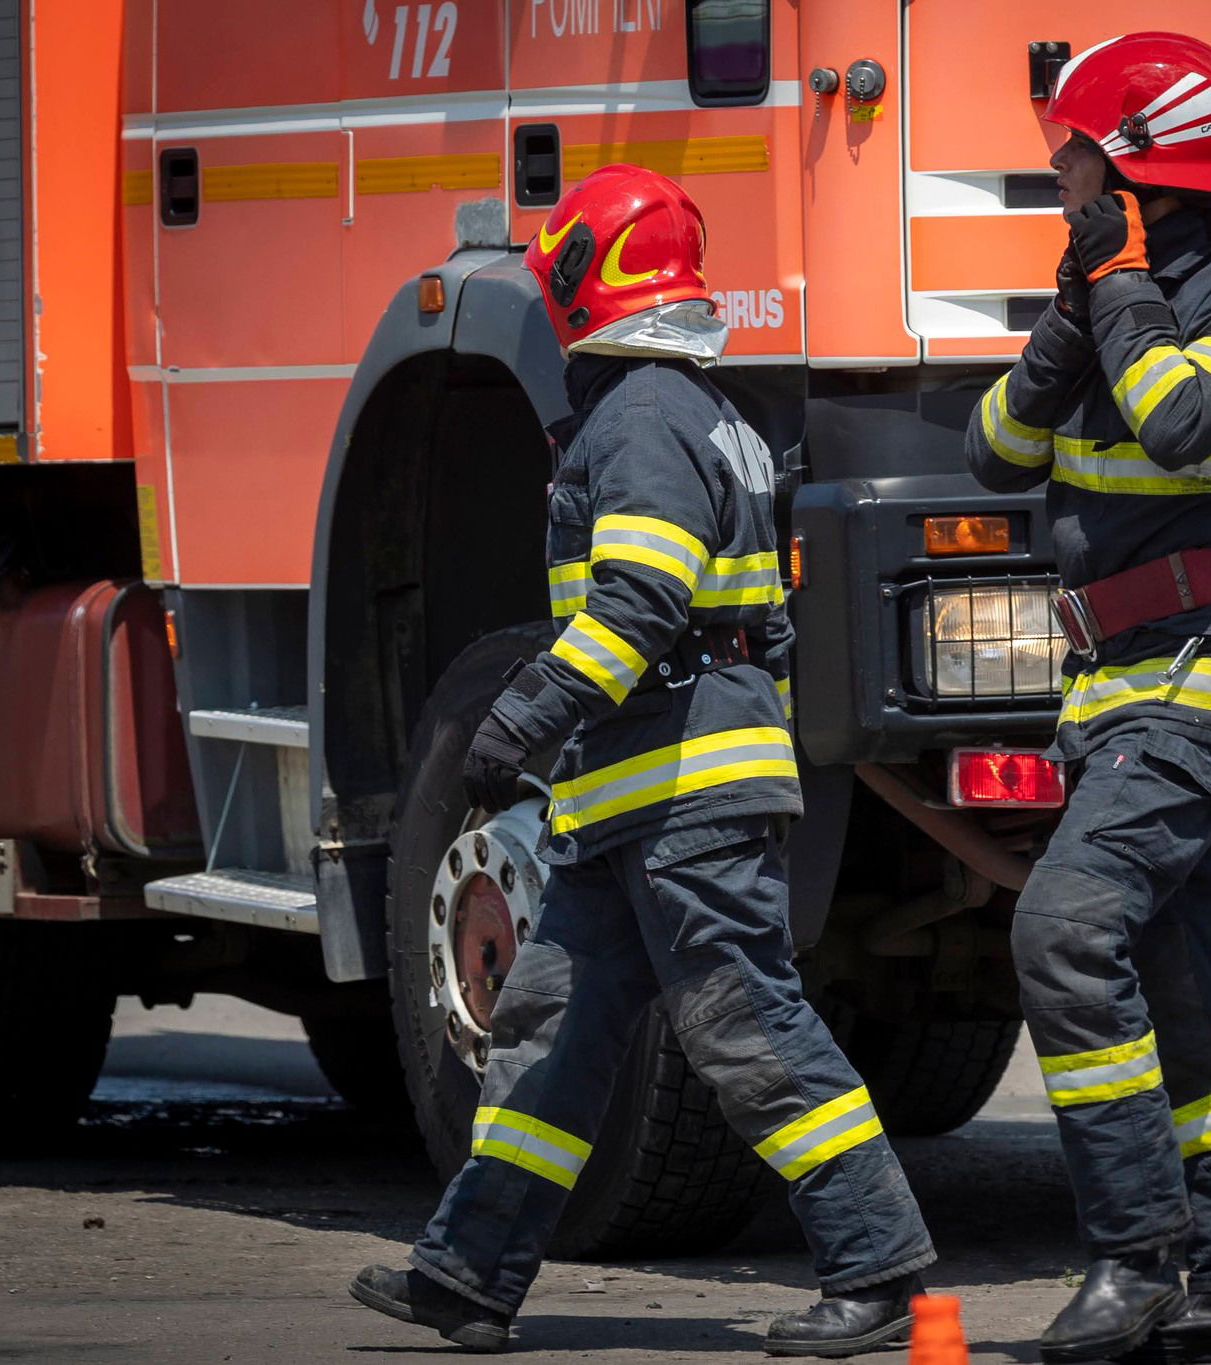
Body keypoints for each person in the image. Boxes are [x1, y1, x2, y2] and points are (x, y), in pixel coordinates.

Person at [351, 165, 935, 1357]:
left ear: (578, 279)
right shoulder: (692, 409)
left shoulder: (643, 416)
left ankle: (877, 1268)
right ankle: (468, 1272)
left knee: (742, 1024)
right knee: (548, 1027)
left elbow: (640, 595)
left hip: (682, 799)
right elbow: (752, 623)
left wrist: (523, 717)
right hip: (633, 803)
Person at [963, 31, 1211, 1365]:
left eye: (1070, 162)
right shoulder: (1113, 296)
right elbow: (994, 449)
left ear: (1128, 171)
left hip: (1200, 677)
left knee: (1061, 934)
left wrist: (1113, 293)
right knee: (1183, 985)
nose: (1054, 181)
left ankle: (1137, 1256)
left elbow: (1178, 421)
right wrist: (1072, 314)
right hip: (1115, 687)